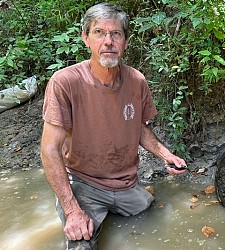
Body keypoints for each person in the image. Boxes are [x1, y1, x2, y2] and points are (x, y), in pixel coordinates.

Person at [40, 3, 187, 249]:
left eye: (116, 34)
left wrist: (166, 155)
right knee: (81, 243)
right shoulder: (65, 82)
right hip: (83, 182)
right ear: (85, 38)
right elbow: (49, 150)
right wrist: (72, 210)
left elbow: (139, 128)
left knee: (153, 218)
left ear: (125, 42)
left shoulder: (136, 80)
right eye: (99, 32)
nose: (108, 41)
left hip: (126, 183)